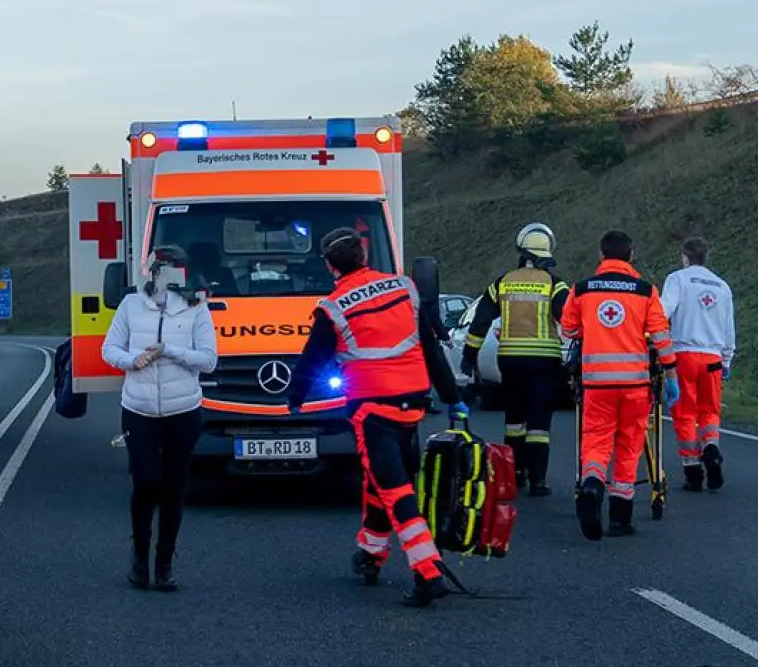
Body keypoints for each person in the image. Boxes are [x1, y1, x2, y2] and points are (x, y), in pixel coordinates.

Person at [288, 227, 465, 608]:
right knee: (379, 481)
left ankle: (427, 572)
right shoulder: (403, 288)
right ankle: (370, 554)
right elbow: (430, 347)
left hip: (372, 409)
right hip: (412, 405)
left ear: (330, 266)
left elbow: (313, 358)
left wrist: (296, 398)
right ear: (364, 256)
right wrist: (453, 398)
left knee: (395, 490)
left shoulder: (333, 306)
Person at [102, 245, 218, 592]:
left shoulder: (196, 308)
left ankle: (164, 563)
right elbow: (109, 349)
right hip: (139, 410)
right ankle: (139, 557)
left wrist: (169, 351)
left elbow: (208, 360)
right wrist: (132, 360)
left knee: (173, 487)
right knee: (146, 481)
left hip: (183, 411)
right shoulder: (130, 304)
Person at [560, 230, 679, 540]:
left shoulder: (583, 289)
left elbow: (569, 329)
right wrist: (671, 375)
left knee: (596, 442)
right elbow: (661, 337)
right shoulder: (644, 291)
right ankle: (620, 518)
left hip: (596, 385)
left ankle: (591, 486)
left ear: (601, 256)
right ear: (632, 255)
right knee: (628, 447)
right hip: (635, 386)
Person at [459, 222, 571, 496]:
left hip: (510, 361)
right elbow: (568, 318)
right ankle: (538, 481)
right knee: (539, 424)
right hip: (545, 361)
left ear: (521, 251)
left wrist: (468, 356)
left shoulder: (503, 282)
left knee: (514, 419)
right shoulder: (555, 284)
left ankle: (514, 474)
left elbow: (480, 321)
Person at [659, 236, 735, 492]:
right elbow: (728, 328)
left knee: (685, 414)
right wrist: (727, 359)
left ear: (684, 256)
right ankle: (711, 449)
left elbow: (663, 311)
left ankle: (693, 472)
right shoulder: (722, 286)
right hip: (713, 357)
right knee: (710, 413)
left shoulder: (678, 279)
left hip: (684, 356)